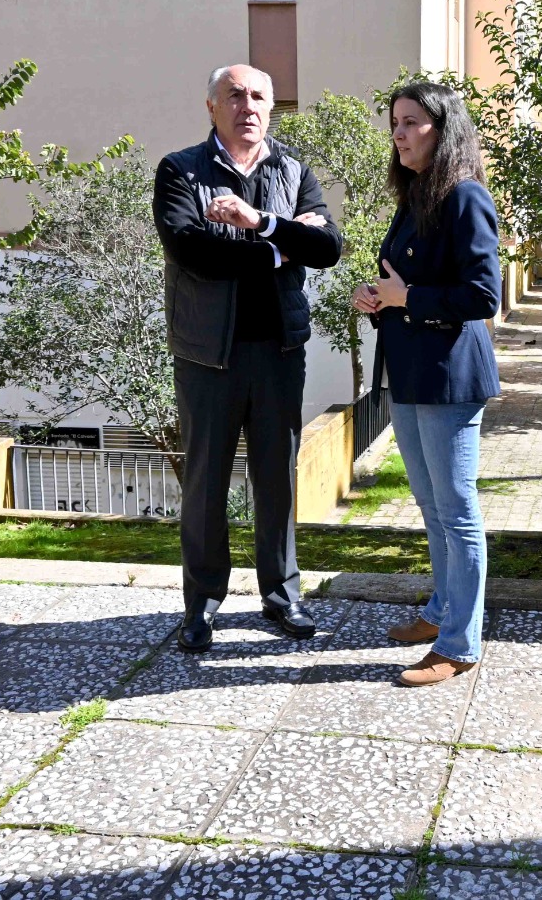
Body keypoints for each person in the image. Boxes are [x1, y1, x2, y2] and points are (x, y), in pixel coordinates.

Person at [153, 64, 342, 652]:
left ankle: (282, 595)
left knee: (277, 480)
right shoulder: (180, 170)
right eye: (234, 95)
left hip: (280, 352)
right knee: (206, 483)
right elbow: (193, 251)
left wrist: (259, 225)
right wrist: (281, 247)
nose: (249, 106)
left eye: (259, 96)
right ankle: (201, 604)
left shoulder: (293, 170)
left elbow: (327, 247)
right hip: (208, 356)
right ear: (212, 106)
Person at [352, 81, 500, 687]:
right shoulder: (417, 197)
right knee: (432, 507)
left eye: (411, 122)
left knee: (457, 511)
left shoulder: (465, 196)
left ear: (443, 129)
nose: (399, 133)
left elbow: (482, 295)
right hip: (410, 374)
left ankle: (460, 645)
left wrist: (406, 297)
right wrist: (377, 297)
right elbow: (403, 281)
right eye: (395, 122)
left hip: (449, 378)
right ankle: (440, 612)